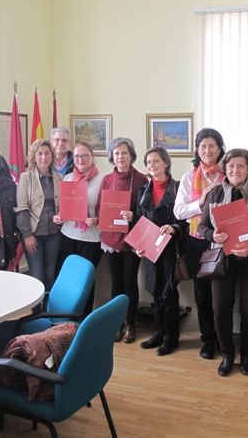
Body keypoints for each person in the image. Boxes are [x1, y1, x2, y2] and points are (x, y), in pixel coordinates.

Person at [199, 149, 248, 377]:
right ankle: (227, 355)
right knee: (220, 310)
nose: (235, 170)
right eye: (231, 166)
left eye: (241, 166)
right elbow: (203, 226)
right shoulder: (214, 193)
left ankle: (247, 355)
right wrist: (212, 235)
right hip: (222, 260)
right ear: (225, 168)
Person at [173, 127, 226, 360]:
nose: (207, 150)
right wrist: (200, 202)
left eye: (212, 146)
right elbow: (179, 211)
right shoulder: (189, 177)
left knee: (222, 294)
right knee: (202, 294)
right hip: (196, 241)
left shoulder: (228, 174)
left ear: (220, 149)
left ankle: (224, 339)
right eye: (203, 146)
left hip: (223, 241)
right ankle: (208, 341)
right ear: (197, 149)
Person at [98, 137, 147, 343]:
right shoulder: (107, 180)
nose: (120, 157)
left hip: (133, 240)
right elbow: (100, 207)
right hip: (111, 239)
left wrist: (133, 215)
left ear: (131, 155)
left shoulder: (142, 180)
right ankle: (117, 323)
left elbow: (147, 211)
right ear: (112, 156)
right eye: (116, 153)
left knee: (130, 282)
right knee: (116, 282)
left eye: (124, 153)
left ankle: (131, 324)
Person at [136, 147, 184, 356]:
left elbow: (186, 220)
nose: (152, 165)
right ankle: (158, 332)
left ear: (165, 163)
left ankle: (171, 337)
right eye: (148, 162)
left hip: (171, 248)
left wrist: (174, 228)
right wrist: (138, 245)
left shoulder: (178, 188)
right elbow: (140, 221)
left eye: (156, 161)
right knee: (155, 291)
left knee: (169, 293)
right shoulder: (142, 191)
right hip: (150, 248)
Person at [54, 141, 104, 309]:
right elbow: (64, 207)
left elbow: (106, 209)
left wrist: (97, 219)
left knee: (86, 279)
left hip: (91, 238)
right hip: (68, 235)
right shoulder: (68, 178)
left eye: (84, 155)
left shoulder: (102, 179)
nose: (80, 159)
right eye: (76, 156)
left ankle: (84, 317)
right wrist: (59, 216)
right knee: (68, 278)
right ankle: (66, 317)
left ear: (92, 157)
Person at [15, 139, 62, 296]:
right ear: (33, 157)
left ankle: (48, 308)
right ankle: (36, 309)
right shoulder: (26, 177)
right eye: (40, 153)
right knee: (37, 275)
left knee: (50, 274)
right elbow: (22, 208)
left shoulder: (58, 178)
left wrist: (62, 216)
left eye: (47, 153)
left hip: (54, 234)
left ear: (52, 155)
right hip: (33, 235)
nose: (44, 157)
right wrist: (27, 235)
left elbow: (62, 205)